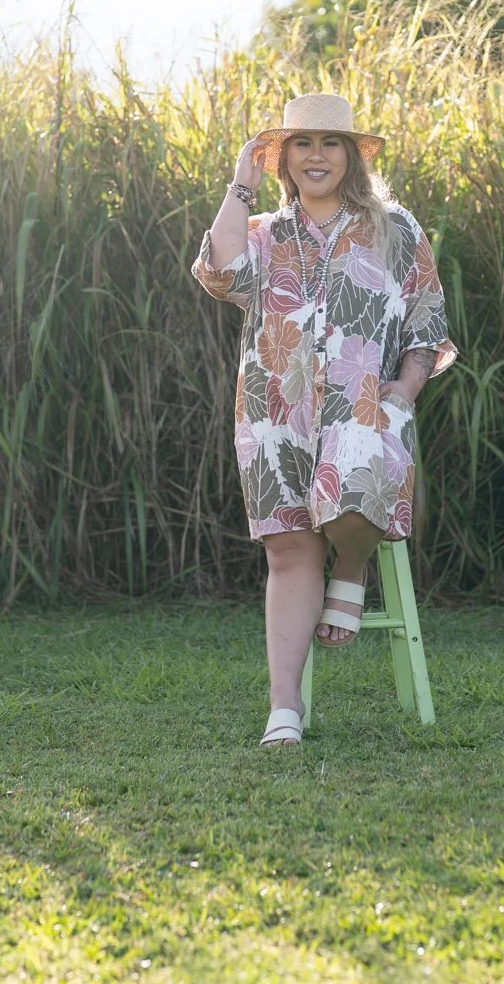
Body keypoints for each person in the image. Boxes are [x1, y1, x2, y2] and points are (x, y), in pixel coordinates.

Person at [192, 93, 458, 748]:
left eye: (330, 143)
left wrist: (407, 386)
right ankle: (285, 708)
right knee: (288, 548)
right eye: (302, 142)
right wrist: (241, 182)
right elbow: (217, 271)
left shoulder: (395, 228)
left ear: (350, 157)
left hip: (365, 407)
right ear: (282, 156)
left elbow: (427, 319)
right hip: (274, 408)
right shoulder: (264, 234)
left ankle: (353, 567)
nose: (316, 155)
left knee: (361, 458)